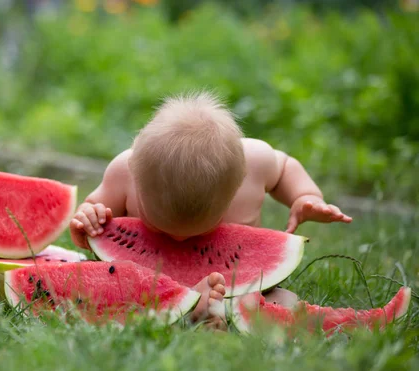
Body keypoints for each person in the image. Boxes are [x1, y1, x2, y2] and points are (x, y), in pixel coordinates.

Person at [70, 92, 352, 324]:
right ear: (134, 172)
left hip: (239, 288)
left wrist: (304, 196)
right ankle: (199, 312)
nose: (180, 243)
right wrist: (86, 222)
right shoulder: (124, 171)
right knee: (112, 300)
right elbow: (94, 208)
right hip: (146, 285)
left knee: (282, 303)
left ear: (238, 184)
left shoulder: (255, 162)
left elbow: (285, 168)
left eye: (201, 234)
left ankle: (208, 312)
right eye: (157, 227)